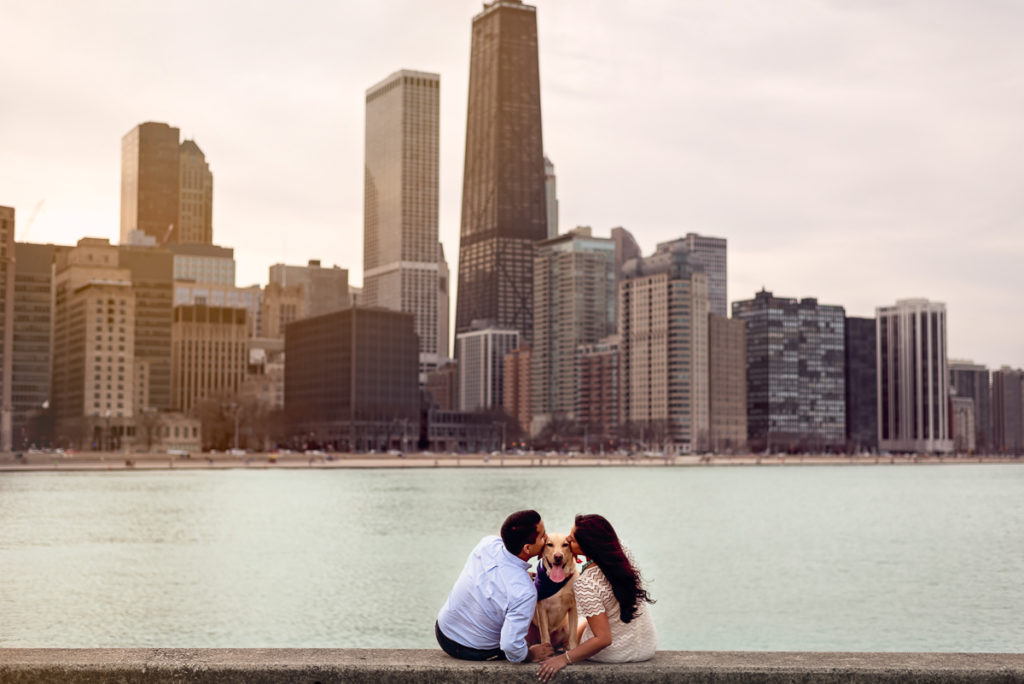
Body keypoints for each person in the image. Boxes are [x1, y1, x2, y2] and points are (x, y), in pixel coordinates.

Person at [537, 514, 657, 681]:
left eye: (573, 539)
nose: (569, 538)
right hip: (647, 646)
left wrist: (564, 658)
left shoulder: (586, 583)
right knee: (588, 620)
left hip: (613, 654)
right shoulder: (622, 552)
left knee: (582, 626)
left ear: (587, 547)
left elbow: (604, 639)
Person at [436, 509, 555, 663]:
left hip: (443, 631)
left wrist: (524, 575)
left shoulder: (487, 544)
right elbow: (510, 647)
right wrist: (530, 655)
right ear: (527, 548)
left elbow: (500, 574)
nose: (546, 538)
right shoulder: (525, 592)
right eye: (542, 536)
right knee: (523, 631)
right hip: (474, 651)